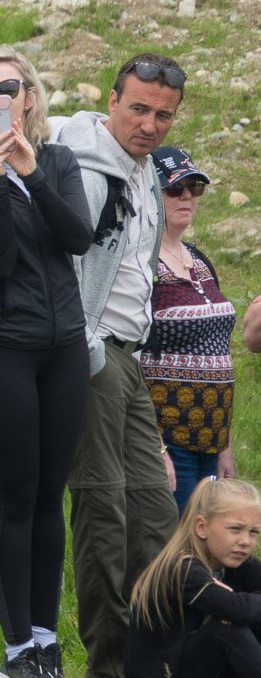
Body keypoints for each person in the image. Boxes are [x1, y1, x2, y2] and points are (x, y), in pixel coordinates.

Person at [0, 48, 92, 678]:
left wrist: (31, 174)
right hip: (0, 343)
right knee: (15, 494)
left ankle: (46, 638)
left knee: (49, 496)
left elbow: (77, 238)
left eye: (6, 87)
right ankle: (15, 648)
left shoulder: (58, 159)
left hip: (63, 344)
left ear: (29, 96)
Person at [52, 52, 186, 678]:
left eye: (163, 114)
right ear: (111, 100)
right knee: (104, 506)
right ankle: (108, 665)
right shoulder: (82, 161)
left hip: (133, 356)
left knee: (157, 513)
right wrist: (83, 345)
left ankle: (151, 658)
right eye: (138, 107)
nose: (150, 124)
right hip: (94, 350)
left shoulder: (148, 175)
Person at [140, 146, 235, 511]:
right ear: (151, 191)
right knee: (174, 545)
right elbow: (130, 352)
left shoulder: (200, 260)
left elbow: (220, 351)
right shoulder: (141, 261)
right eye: (174, 187)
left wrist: (224, 443)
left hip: (212, 438)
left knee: (209, 543)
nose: (186, 196)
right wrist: (154, 446)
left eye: (194, 187)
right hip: (167, 435)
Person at [126, 478, 261, 678]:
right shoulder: (180, 567)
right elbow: (237, 610)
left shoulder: (237, 563)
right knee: (228, 630)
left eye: (254, 532)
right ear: (201, 527)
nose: (245, 541)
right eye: (235, 529)